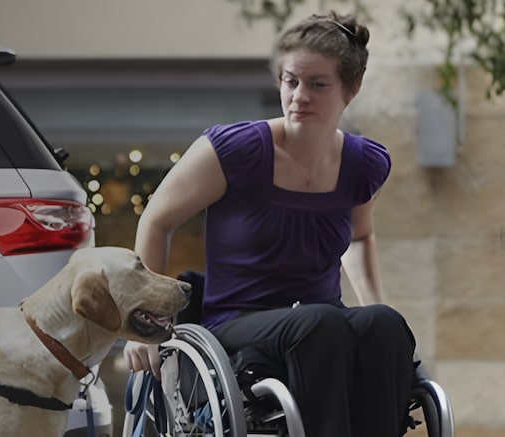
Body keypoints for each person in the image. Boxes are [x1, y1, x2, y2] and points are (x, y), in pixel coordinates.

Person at [123, 11, 417, 437]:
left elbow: (360, 235)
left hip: (321, 324)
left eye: (318, 84)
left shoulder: (363, 163)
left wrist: (375, 305)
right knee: (322, 323)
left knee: (385, 325)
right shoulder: (235, 151)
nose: (299, 96)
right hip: (238, 324)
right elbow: (156, 219)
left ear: (351, 89)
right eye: (290, 81)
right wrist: (142, 323)